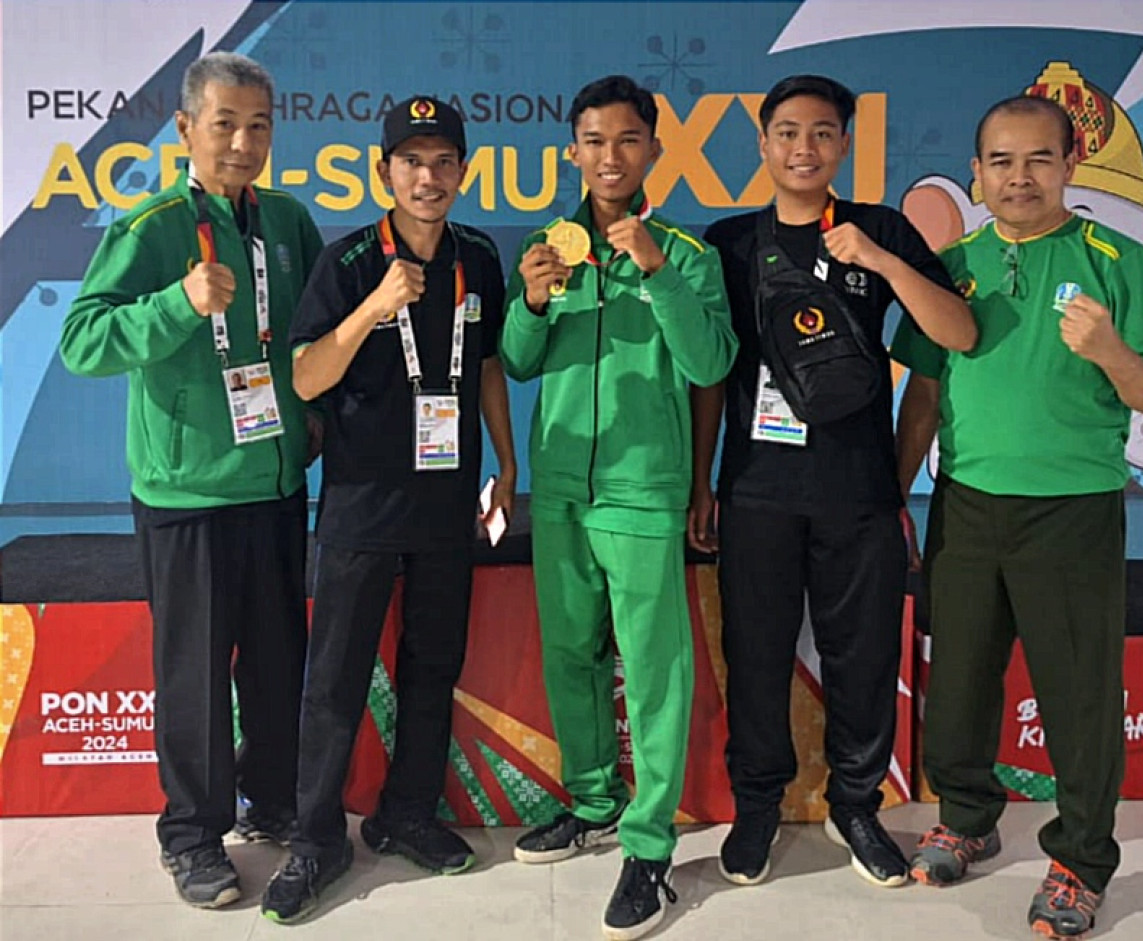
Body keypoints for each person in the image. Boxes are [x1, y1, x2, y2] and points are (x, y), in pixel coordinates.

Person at [893, 95, 1143, 939]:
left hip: (1074, 510)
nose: (1020, 177)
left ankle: (1082, 858)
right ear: (977, 173)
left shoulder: (1116, 260)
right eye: (1002, 162)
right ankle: (967, 816)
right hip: (969, 504)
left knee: (1079, 694)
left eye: (1038, 160)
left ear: (1069, 167)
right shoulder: (950, 263)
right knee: (962, 680)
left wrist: (1111, 352)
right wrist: (891, 495)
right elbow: (924, 393)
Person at [690, 74, 976, 889]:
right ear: (762, 144)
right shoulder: (729, 242)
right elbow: (712, 374)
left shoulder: (879, 228)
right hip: (756, 490)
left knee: (861, 654)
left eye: (821, 133)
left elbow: (956, 330)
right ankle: (756, 805)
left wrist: (878, 256)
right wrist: (706, 480)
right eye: (786, 132)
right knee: (755, 653)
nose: (803, 148)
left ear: (845, 144)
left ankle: (857, 803)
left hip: (858, 489)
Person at [59, 52, 323, 909]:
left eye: (259, 126)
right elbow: (83, 342)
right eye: (225, 124)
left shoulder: (288, 222)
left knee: (280, 664)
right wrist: (176, 303)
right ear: (185, 130)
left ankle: (274, 799)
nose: (243, 143)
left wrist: (317, 423)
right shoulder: (150, 227)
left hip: (278, 484)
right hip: (187, 497)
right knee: (197, 678)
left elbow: (316, 337)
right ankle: (193, 835)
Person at [259, 96, 515, 925]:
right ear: (384, 172)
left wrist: (509, 464)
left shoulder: (479, 256)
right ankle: (317, 837)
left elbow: (483, 370)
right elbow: (302, 380)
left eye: (444, 162)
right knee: (334, 680)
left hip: (448, 501)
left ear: (463, 172)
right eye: (411, 162)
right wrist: (374, 308)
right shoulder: (348, 262)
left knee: (432, 665)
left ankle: (407, 812)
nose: (428, 177)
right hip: (363, 505)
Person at [501, 74, 736, 941]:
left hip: (644, 492)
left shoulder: (685, 252)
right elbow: (519, 363)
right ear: (573, 150)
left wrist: (656, 272)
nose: (611, 157)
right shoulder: (550, 246)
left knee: (655, 667)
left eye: (628, 140)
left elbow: (710, 362)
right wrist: (530, 302)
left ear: (653, 151)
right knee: (572, 651)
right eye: (594, 141)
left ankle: (648, 846)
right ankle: (594, 801)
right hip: (560, 486)